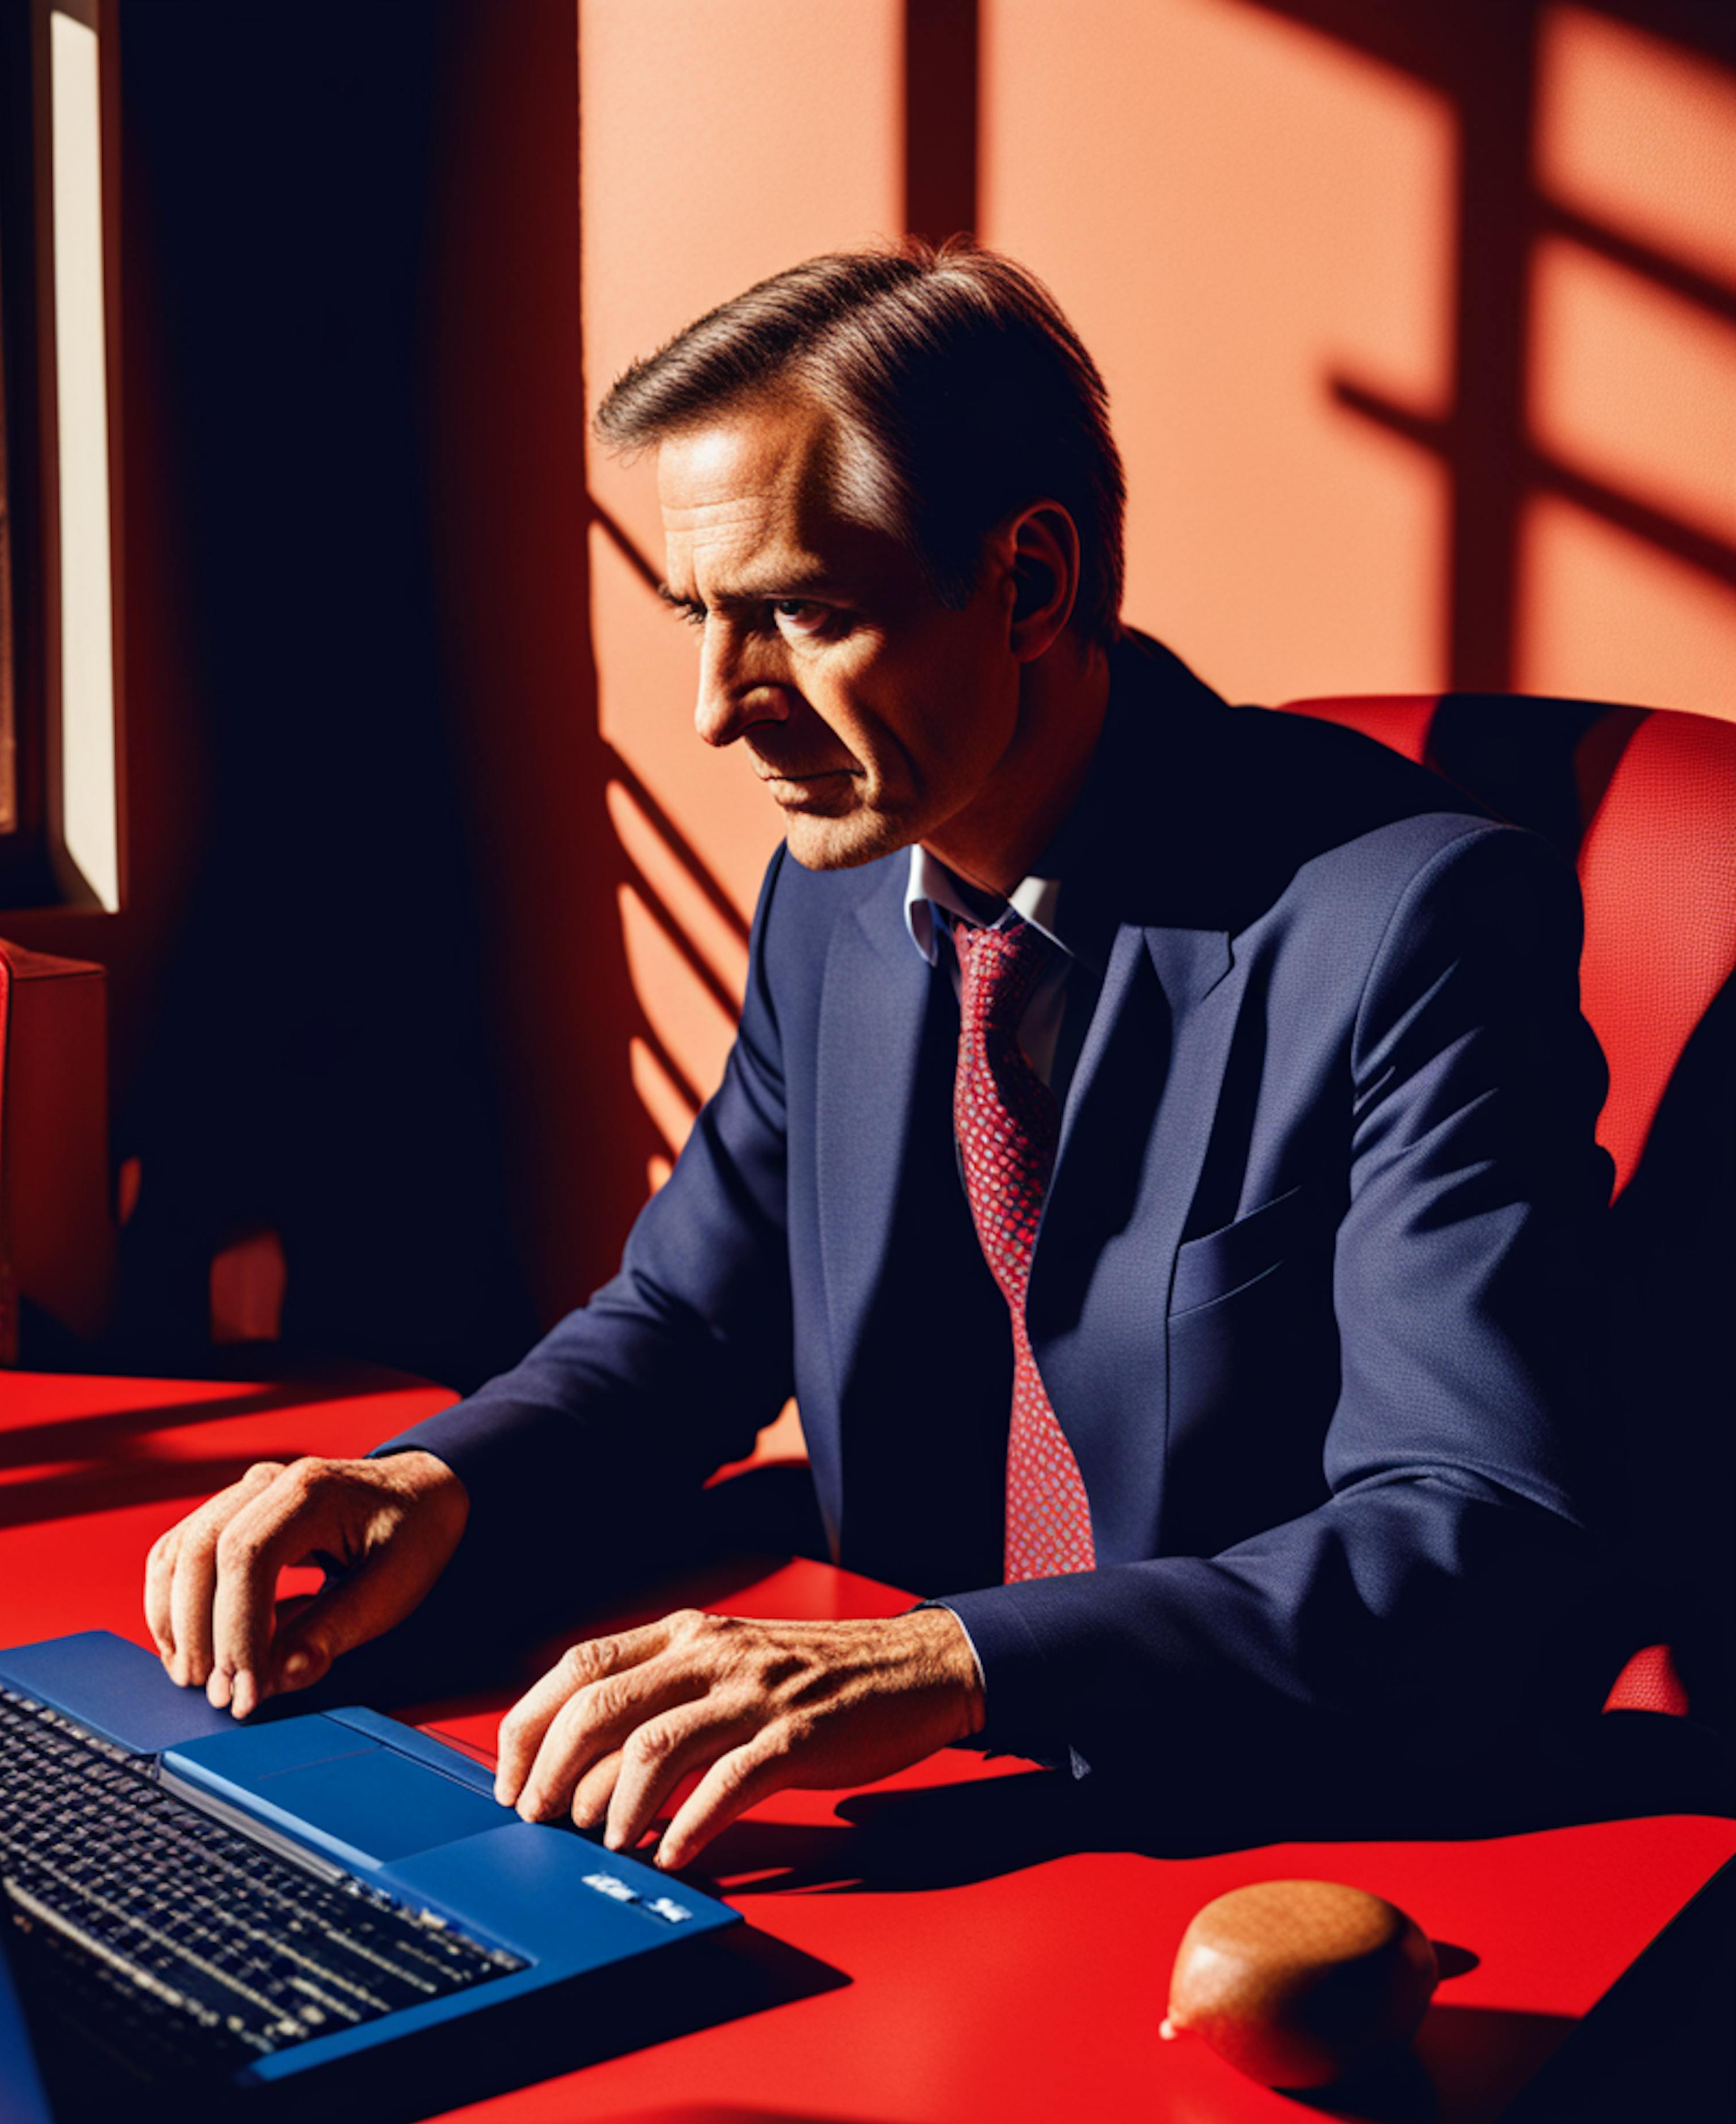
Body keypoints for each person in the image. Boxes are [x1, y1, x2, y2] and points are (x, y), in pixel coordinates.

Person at [143, 242, 1610, 1872]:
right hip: (877, 1822)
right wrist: (432, 1483)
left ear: (1032, 586)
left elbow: (1477, 1534)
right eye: (700, 615)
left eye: (803, 615)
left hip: (1263, 1837)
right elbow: (691, 1319)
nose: (718, 708)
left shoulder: (1413, 919)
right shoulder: (835, 890)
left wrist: (953, 1661)